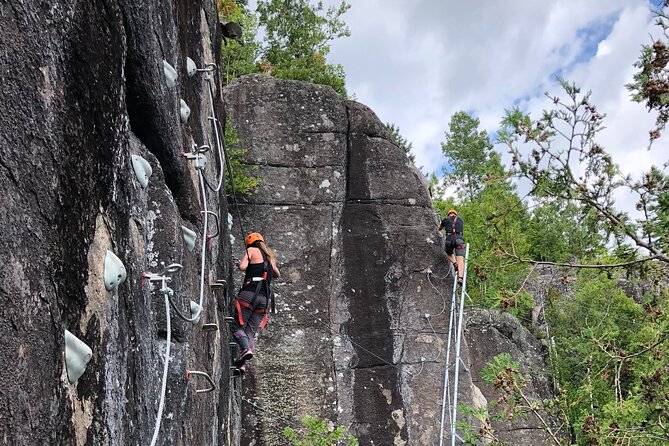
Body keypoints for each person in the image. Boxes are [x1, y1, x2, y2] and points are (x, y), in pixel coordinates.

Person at [232, 232, 280, 375]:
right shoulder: (270, 258)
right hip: (264, 301)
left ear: (249, 243)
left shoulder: (251, 250)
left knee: (237, 328)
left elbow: (242, 267)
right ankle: (242, 364)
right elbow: (277, 274)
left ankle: (246, 350)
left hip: (249, 295)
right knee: (249, 332)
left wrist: (244, 263)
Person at [438, 209, 465, 286]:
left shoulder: (445, 220)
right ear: (455, 214)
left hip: (449, 241)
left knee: (447, 253)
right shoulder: (460, 219)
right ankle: (460, 278)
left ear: (448, 214)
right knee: (460, 259)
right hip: (459, 240)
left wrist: (441, 224)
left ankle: (454, 263)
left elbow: (439, 228)